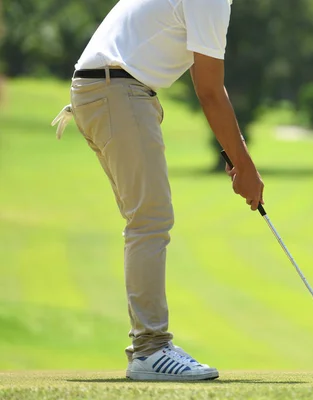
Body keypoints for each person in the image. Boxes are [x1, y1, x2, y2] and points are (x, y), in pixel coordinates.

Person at [51, 0, 264, 381]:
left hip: (103, 88)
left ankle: (149, 347)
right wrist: (245, 166)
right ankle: (150, 349)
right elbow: (210, 90)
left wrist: (239, 156)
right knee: (150, 218)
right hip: (116, 89)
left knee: (144, 218)